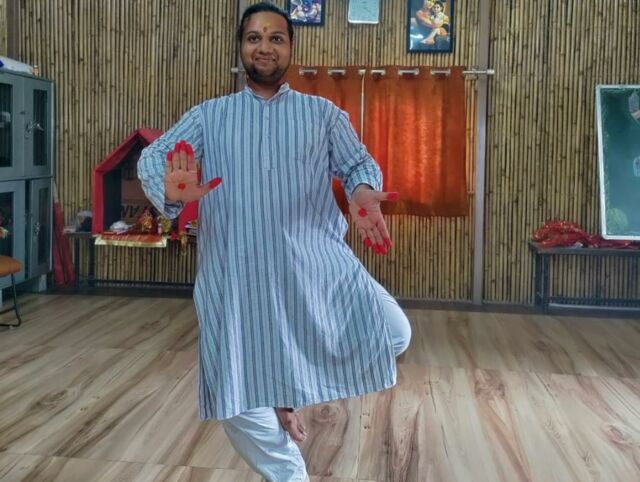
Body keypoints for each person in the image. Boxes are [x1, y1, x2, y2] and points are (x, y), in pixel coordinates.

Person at [137, 2, 411, 481]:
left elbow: (357, 164)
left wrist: (362, 190)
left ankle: (284, 387)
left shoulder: (322, 114)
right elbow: (154, 157)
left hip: (313, 268)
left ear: (290, 48)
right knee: (236, 393)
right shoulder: (210, 117)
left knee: (394, 333)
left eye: (276, 38)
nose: (264, 47)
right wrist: (169, 189)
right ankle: (288, 473)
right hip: (236, 276)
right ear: (241, 47)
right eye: (254, 38)